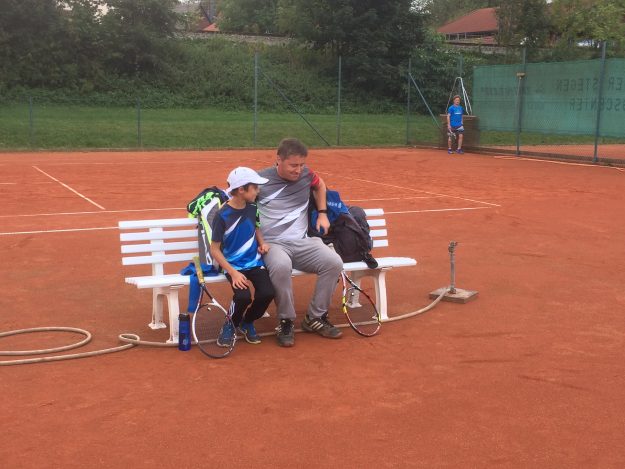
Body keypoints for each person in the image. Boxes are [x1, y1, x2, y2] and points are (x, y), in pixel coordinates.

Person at [257, 138, 344, 347]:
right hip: (273, 244)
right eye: (293, 165)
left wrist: (322, 213)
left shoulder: (307, 175)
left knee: (334, 262)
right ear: (279, 160)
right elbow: (238, 203)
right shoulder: (259, 180)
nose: (298, 170)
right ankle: (286, 321)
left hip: (303, 242)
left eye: (302, 165)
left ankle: (315, 317)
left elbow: (320, 185)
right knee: (281, 266)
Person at [210, 167, 275, 346]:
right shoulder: (222, 215)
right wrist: (233, 273)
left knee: (267, 293)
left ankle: (247, 322)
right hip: (233, 266)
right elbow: (214, 249)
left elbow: (256, 227)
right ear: (241, 190)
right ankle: (230, 324)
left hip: (254, 262)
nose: (258, 191)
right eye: (255, 188)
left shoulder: (253, 207)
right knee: (243, 297)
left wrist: (262, 243)